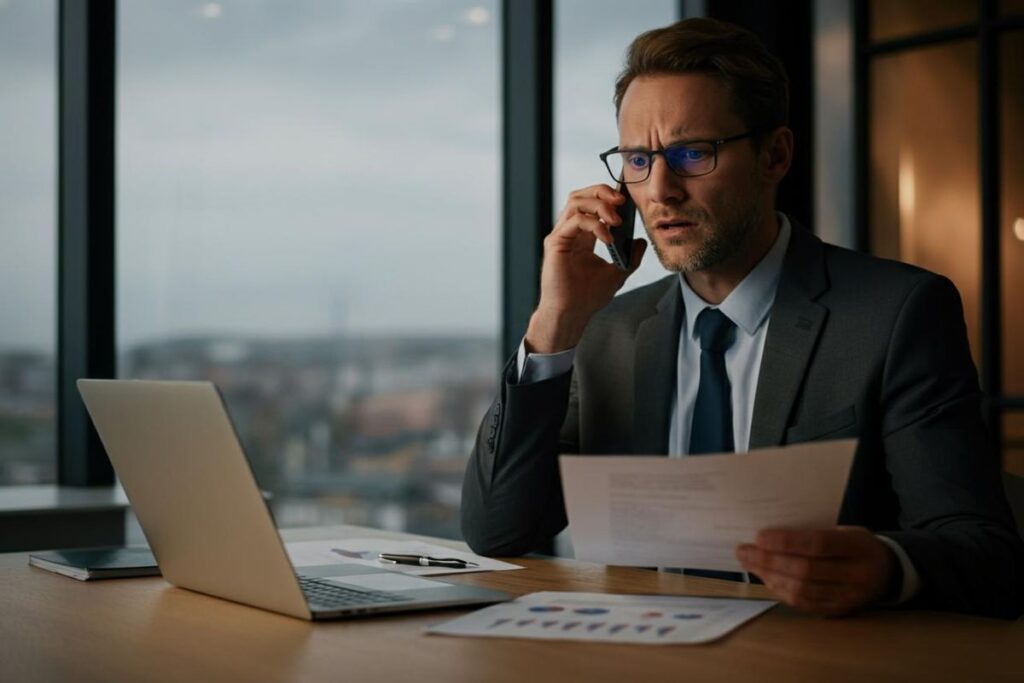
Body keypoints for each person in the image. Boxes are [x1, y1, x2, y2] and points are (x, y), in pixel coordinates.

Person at [461, 17, 1023, 619]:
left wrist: (887, 564)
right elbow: (498, 531)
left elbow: (986, 555)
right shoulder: (606, 332)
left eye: (691, 153)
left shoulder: (895, 314)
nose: (660, 191)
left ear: (775, 155)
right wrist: (554, 323)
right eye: (636, 159)